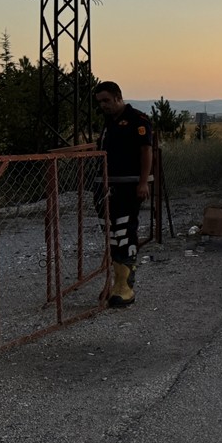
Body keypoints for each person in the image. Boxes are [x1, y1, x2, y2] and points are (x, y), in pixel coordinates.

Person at [94, 81, 153, 307]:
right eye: (100, 102)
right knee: (111, 234)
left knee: (125, 231)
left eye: (106, 100)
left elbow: (146, 151)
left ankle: (126, 287)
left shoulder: (138, 120)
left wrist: (143, 182)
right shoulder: (108, 123)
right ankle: (115, 283)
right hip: (106, 185)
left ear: (118, 97)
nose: (103, 106)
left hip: (129, 185)